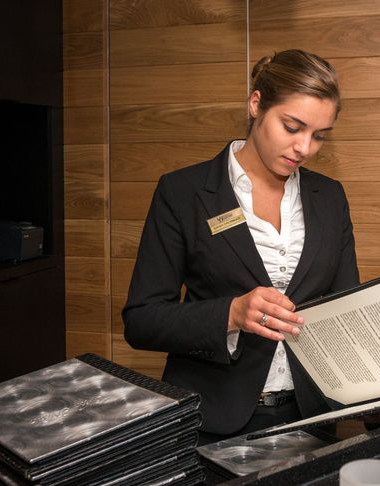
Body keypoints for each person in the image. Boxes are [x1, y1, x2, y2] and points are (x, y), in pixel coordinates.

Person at [122, 49, 360, 444]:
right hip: (214, 422)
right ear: (255, 105)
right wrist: (230, 314)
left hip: (311, 419)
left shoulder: (330, 197)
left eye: (319, 136)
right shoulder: (183, 193)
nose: (304, 147)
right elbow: (141, 320)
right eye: (292, 126)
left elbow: (346, 309)